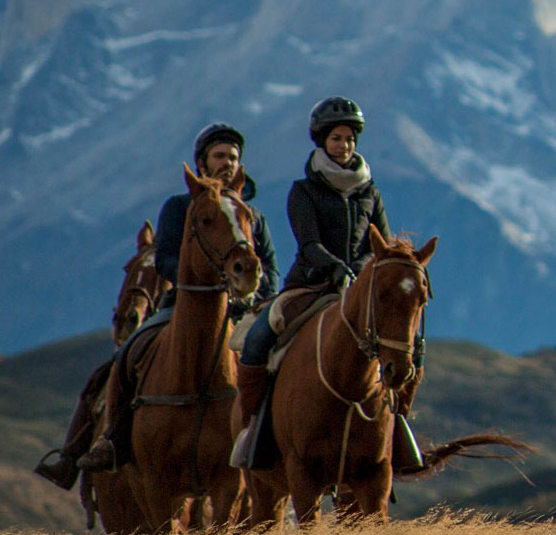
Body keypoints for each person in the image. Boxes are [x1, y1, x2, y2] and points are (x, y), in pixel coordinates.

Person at [76, 123, 278, 472]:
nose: (226, 163)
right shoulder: (179, 207)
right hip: (186, 306)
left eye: (233, 157)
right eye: (219, 156)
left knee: (278, 364)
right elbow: (165, 258)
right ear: (201, 163)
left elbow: (269, 265)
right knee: (128, 354)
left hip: (243, 310)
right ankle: (112, 438)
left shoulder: (252, 215)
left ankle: (275, 447)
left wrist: (257, 297)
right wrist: (200, 276)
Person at [229, 97, 401, 469]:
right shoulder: (302, 191)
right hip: (309, 285)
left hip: (360, 288)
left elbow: (381, 245)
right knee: (259, 338)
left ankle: (397, 433)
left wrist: (361, 268)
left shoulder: (370, 192)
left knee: (401, 342)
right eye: (337, 138)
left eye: (350, 138)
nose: (345, 145)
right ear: (322, 141)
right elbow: (308, 245)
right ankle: (252, 427)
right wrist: (337, 268)